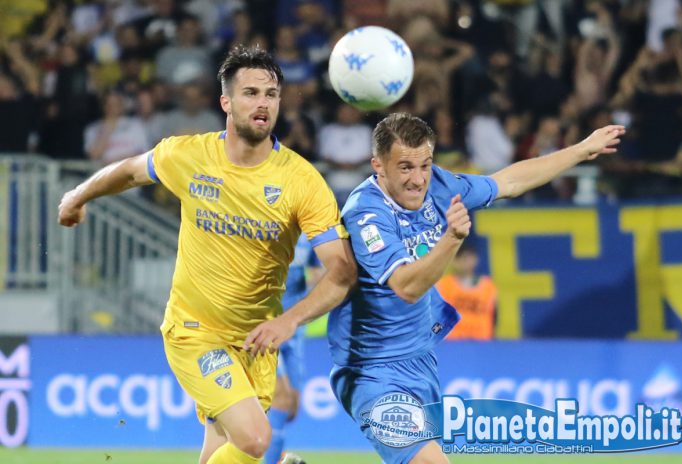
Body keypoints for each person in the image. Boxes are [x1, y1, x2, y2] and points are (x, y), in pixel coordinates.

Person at [58, 45, 357, 464]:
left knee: (221, 454)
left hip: (255, 343)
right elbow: (128, 171)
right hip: (195, 332)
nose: (263, 103)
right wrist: (78, 196)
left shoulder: (302, 181)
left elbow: (341, 271)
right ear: (226, 102)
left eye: (271, 94)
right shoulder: (190, 155)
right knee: (256, 440)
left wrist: (289, 321)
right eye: (250, 93)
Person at [328, 112, 624, 464]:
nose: (418, 180)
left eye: (425, 165)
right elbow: (406, 287)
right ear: (378, 165)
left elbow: (508, 182)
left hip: (420, 360)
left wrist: (579, 150)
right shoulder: (367, 214)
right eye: (405, 167)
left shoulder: (440, 186)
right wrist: (452, 239)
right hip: (371, 370)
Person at [265, 234, 322, 464]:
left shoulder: (309, 234)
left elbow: (318, 273)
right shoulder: (267, 227)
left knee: (291, 408)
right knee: (280, 398)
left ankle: (263, 450)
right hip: (266, 324)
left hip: (294, 328)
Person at [436, 242, 496, 340]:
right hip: (451, 342)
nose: (467, 262)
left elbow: (494, 318)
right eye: (463, 258)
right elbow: (436, 316)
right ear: (454, 260)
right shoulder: (443, 285)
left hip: (481, 342)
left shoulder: (488, 287)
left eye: (470, 258)